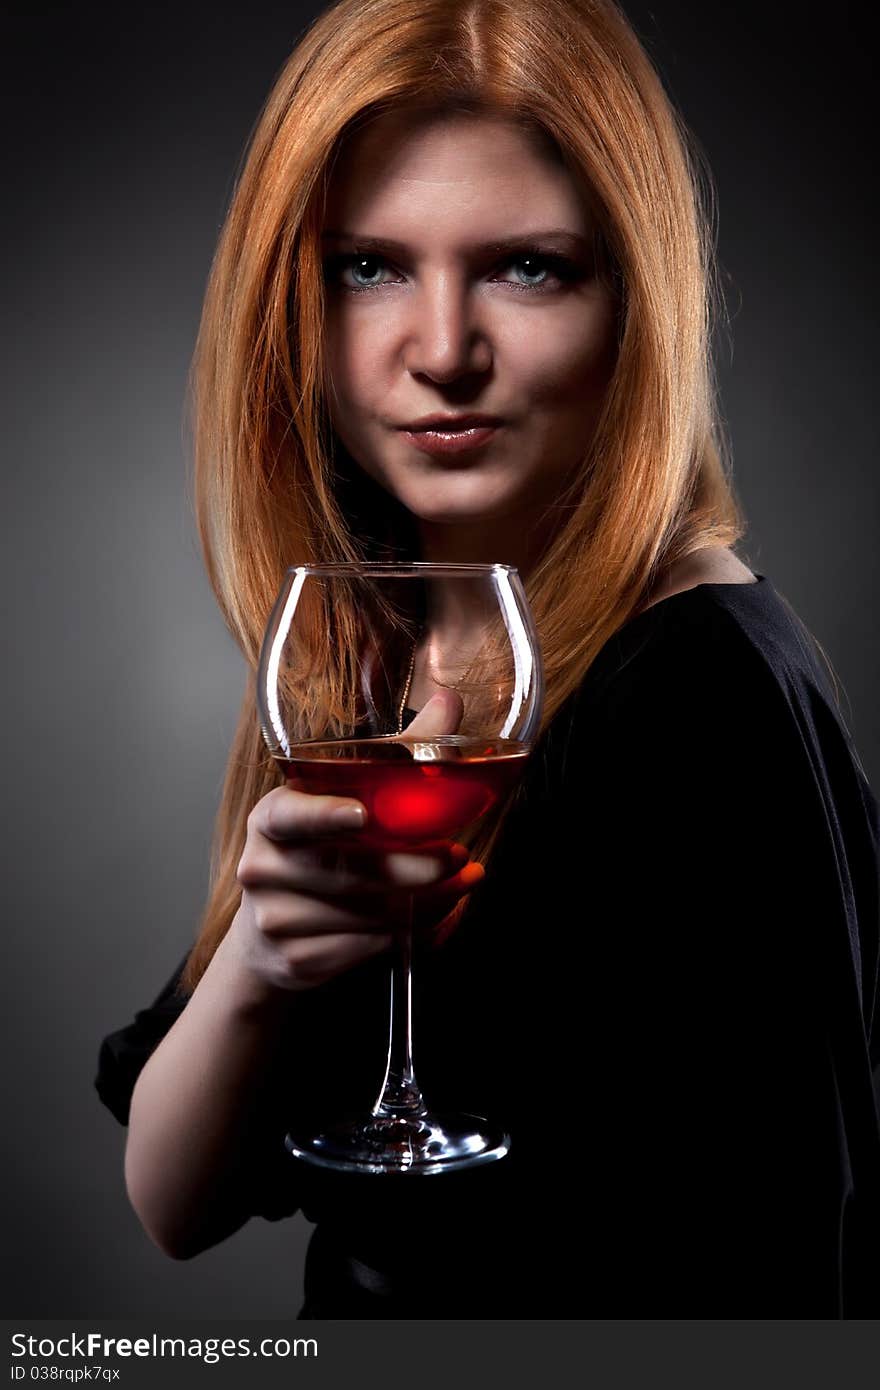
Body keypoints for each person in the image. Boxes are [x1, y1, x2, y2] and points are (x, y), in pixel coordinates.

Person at [94, 0, 880, 1317]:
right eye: (368, 267)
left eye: (527, 268)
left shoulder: (701, 687)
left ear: (637, 300)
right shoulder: (373, 646)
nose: (443, 350)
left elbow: (790, 1273)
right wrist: (265, 961)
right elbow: (175, 1203)